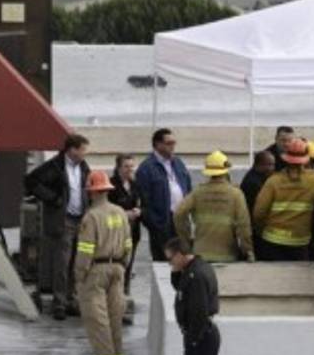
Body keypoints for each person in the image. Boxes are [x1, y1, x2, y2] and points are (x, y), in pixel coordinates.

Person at [24, 133, 91, 320]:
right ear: (72, 149)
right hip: (63, 220)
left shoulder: (83, 167)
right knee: (62, 262)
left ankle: (71, 299)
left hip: (80, 218)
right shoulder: (55, 166)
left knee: (76, 262)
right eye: (83, 150)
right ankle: (59, 303)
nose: (85, 154)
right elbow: (31, 181)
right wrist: (53, 198)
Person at [76, 171, 132, 355]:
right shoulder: (120, 212)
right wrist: (122, 265)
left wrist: (79, 276)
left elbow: (85, 250)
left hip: (96, 271)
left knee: (98, 321)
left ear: (91, 192)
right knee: (115, 318)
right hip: (117, 268)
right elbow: (128, 244)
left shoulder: (91, 217)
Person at [252, 138, 314, 262]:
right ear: (306, 160)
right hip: (299, 244)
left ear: (285, 159)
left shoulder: (273, 181)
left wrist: (263, 232)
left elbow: (259, 213)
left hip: (272, 243)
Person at [174, 151, 254, 263]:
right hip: (227, 255)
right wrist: (248, 250)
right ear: (226, 170)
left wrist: (186, 241)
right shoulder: (236, 194)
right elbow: (244, 226)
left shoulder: (198, 192)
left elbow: (179, 213)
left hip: (200, 255)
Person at [134, 127, 193, 261]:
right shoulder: (146, 168)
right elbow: (144, 200)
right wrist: (155, 223)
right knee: (164, 263)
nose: (173, 146)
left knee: (183, 260)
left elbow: (188, 187)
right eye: (169, 143)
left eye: (174, 143)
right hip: (162, 224)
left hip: (181, 221)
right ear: (157, 144)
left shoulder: (178, 163)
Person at [108, 154, 143, 299]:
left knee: (128, 264)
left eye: (131, 166)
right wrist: (124, 214)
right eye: (126, 166)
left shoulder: (135, 184)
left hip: (132, 231)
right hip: (115, 233)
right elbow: (106, 208)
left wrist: (139, 211)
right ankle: (113, 295)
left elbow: (142, 203)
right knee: (116, 265)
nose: (130, 169)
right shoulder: (110, 184)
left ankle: (124, 295)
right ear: (118, 167)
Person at [239, 150, 274, 214]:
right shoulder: (253, 183)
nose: (272, 168)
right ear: (259, 164)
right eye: (269, 164)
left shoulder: (258, 177)